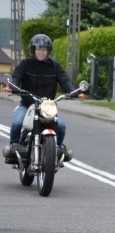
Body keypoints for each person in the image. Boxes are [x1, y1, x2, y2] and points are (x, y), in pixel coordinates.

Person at [3, 34, 78, 164]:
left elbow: (65, 80)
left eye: (44, 49)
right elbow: (16, 76)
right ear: (33, 50)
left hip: (47, 106)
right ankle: (13, 150)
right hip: (28, 104)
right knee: (17, 123)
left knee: (61, 126)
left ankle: (57, 150)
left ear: (48, 51)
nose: (41, 52)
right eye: (38, 49)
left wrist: (73, 92)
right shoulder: (25, 64)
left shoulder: (55, 66)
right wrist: (13, 86)